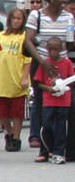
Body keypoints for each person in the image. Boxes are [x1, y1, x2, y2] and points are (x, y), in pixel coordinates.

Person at [23, 0, 73, 150]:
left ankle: (61, 145)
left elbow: (70, 43)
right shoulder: (36, 15)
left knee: (64, 104)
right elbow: (28, 41)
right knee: (41, 104)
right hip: (42, 63)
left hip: (62, 65)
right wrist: (43, 62)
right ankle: (42, 144)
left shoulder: (68, 17)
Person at [0, 7, 30, 151]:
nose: (16, 21)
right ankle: (9, 133)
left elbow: (28, 59)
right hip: (1, 78)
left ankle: (16, 137)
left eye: (19, 18)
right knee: (1, 112)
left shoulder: (24, 37)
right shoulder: (1, 36)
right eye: (13, 18)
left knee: (17, 112)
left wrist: (25, 78)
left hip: (17, 77)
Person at [33, 36, 74, 164]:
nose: (53, 52)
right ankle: (48, 149)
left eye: (56, 49)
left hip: (63, 101)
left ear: (61, 49)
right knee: (47, 125)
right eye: (50, 49)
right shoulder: (45, 63)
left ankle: (59, 152)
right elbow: (38, 83)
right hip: (48, 101)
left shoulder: (66, 63)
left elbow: (72, 79)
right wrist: (49, 89)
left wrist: (63, 87)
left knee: (61, 127)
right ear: (47, 49)